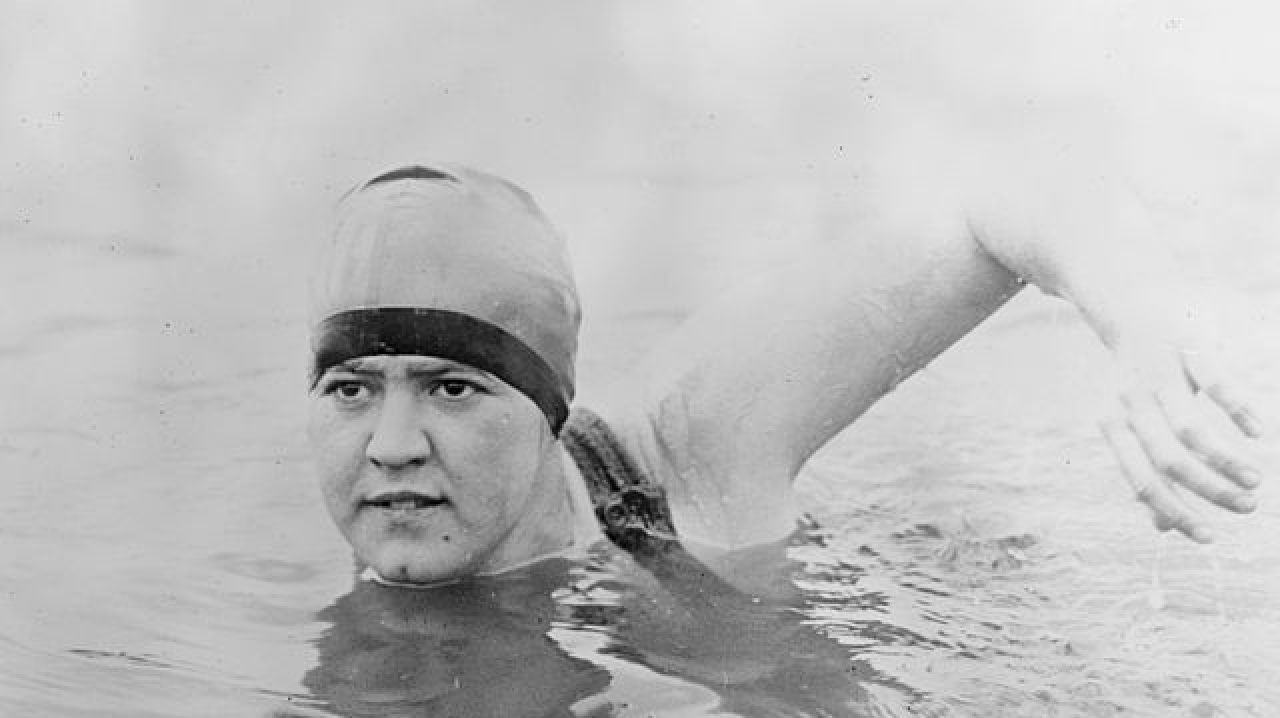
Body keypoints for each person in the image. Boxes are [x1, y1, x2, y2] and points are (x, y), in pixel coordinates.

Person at [306, 160, 1265, 590]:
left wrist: (1141, 326)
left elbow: (1009, 184)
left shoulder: (686, 450)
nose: (391, 446)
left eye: (452, 387)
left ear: (550, 402)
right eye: (352, 389)